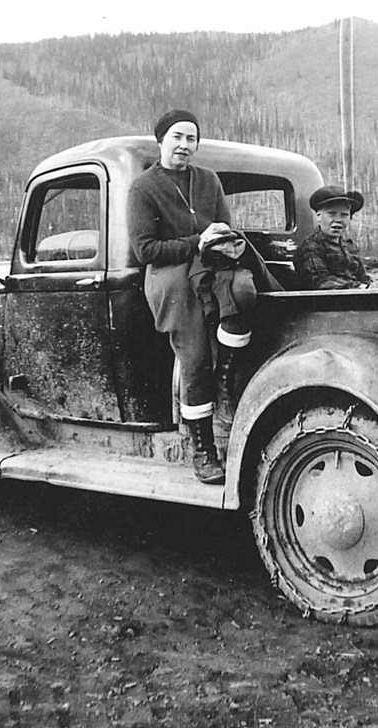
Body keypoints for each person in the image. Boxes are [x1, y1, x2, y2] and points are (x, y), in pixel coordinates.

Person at [126, 109, 258, 485]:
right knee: (195, 358)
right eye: (177, 137)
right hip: (170, 276)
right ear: (161, 141)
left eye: (191, 138)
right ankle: (203, 449)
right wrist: (194, 242)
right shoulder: (144, 188)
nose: (185, 145)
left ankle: (227, 373)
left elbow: (224, 226)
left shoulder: (208, 180)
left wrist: (219, 238)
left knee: (245, 291)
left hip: (210, 264)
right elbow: (146, 251)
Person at [294, 185, 372, 289]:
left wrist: (370, 285)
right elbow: (321, 281)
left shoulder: (349, 245)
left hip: (355, 297)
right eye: (332, 214)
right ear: (318, 216)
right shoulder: (310, 246)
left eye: (344, 215)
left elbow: (363, 277)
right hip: (323, 302)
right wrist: (357, 287)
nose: (338, 220)